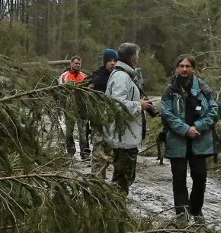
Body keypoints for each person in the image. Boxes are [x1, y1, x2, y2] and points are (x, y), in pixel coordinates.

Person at [160, 54, 221, 223]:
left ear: (193, 68)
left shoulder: (203, 88)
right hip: (177, 140)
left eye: (188, 66)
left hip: (200, 141)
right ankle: (181, 213)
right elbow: (166, 114)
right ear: (176, 68)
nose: (184, 69)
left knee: (200, 177)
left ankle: (196, 210)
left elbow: (214, 111)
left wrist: (199, 126)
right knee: (179, 178)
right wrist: (185, 129)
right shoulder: (170, 90)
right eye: (181, 66)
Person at [104, 43, 157, 192]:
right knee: (121, 182)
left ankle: (115, 210)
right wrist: (139, 104)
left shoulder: (123, 75)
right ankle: (114, 212)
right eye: (137, 57)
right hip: (123, 140)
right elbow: (117, 105)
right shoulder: (121, 77)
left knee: (124, 179)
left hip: (126, 139)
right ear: (132, 59)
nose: (138, 61)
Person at [88, 49, 119, 180]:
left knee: (110, 154)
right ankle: (96, 183)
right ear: (104, 62)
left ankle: (104, 182)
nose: (112, 63)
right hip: (99, 123)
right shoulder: (97, 78)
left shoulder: (118, 77)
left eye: (114, 61)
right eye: (109, 61)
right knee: (98, 156)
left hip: (113, 123)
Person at [58, 55, 90, 159]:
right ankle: (70, 151)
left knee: (83, 130)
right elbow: (60, 91)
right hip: (69, 105)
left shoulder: (84, 76)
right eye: (76, 63)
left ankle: (84, 153)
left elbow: (89, 91)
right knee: (69, 130)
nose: (78, 65)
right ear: (71, 63)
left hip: (82, 106)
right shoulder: (64, 76)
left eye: (79, 63)